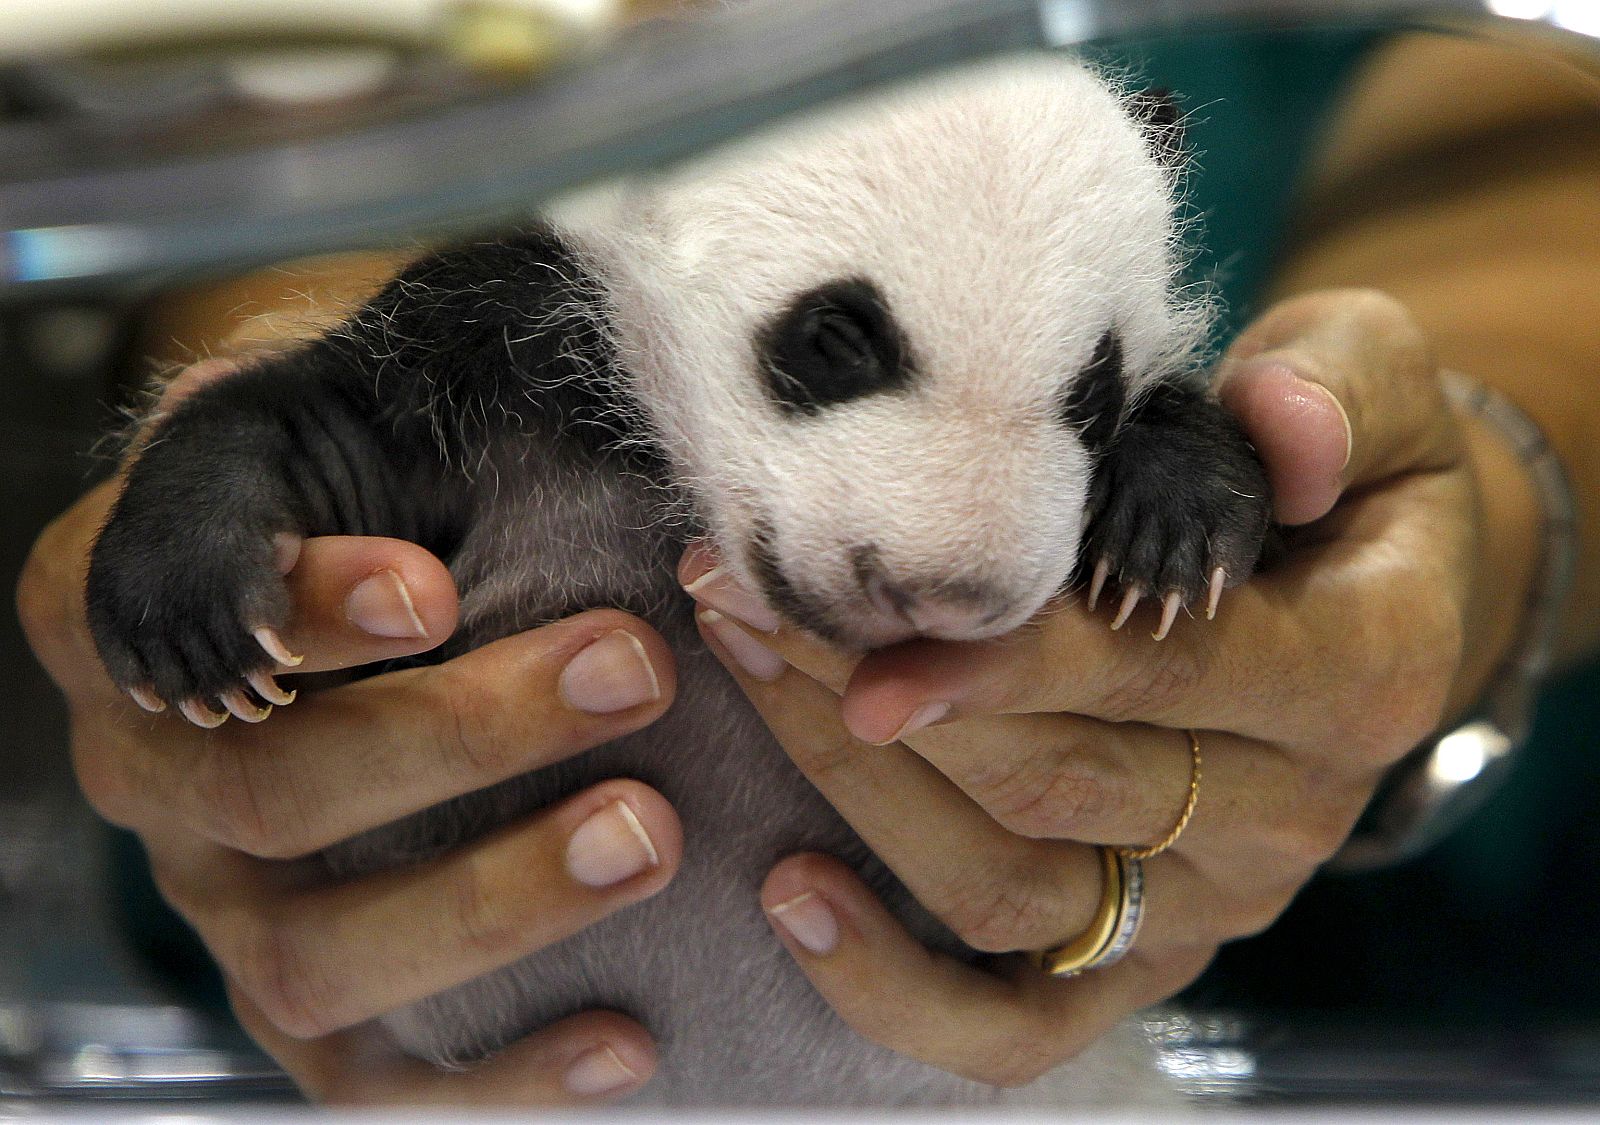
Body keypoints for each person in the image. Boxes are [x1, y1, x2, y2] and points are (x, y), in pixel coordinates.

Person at [16, 26, 1600, 1104]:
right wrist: (217, 506)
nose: (967, 554)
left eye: (1085, 407)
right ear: (658, 192)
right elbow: (280, 224)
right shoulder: (519, 318)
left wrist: (1260, 502)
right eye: (840, 350)